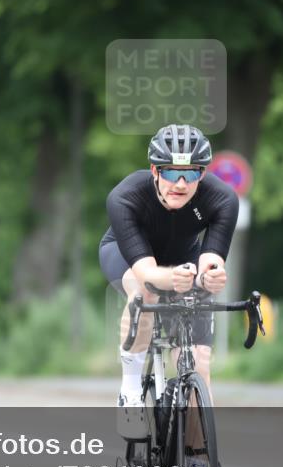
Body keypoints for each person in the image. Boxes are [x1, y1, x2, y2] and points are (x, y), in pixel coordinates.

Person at [99, 125, 238, 411]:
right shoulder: (125, 196)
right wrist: (171, 279)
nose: (181, 184)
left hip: (184, 259)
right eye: (172, 172)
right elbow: (148, 274)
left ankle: (198, 453)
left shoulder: (221, 198)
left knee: (199, 363)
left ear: (203, 174)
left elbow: (211, 259)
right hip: (128, 258)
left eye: (193, 173)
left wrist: (211, 275)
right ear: (155, 170)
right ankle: (131, 389)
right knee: (144, 292)